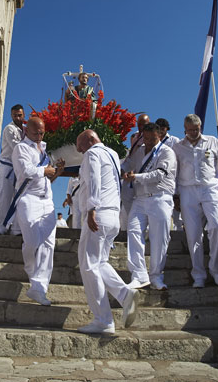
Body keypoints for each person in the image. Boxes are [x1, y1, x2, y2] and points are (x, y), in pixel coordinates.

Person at [74, 129, 137, 334]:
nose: (80, 151)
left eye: (81, 146)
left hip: (98, 214)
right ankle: (125, 294)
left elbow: (93, 180)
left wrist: (91, 208)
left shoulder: (93, 153)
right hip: (112, 216)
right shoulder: (112, 154)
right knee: (100, 262)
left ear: (91, 139)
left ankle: (104, 320)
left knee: (88, 265)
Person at [172, 114, 218, 288]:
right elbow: (174, 174)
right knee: (193, 234)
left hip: (210, 188)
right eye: (190, 130)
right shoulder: (178, 147)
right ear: (184, 129)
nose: (193, 132)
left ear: (201, 127)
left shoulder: (212, 141)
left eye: (196, 129)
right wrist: (175, 196)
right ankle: (198, 274)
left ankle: (215, 269)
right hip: (187, 191)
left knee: (217, 225)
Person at [11, 117, 63, 305]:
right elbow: (25, 171)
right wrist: (45, 171)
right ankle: (32, 271)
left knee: (48, 245)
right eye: (36, 133)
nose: (39, 136)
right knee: (32, 241)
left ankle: (39, 289)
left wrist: (57, 172)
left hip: (47, 201)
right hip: (28, 199)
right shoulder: (21, 148)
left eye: (42, 132)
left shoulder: (46, 149)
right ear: (27, 131)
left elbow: (48, 178)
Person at [121, 122, 177, 291]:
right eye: (146, 138)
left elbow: (159, 174)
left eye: (153, 138)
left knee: (159, 238)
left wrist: (135, 177)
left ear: (159, 135)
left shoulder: (167, 152)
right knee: (134, 231)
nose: (150, 141)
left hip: (160, 198)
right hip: (140, 198)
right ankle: (139, 275)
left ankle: (156, 276)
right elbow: (126, 164)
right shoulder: (138, 152)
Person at [0, 104, 26, 234]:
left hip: (20, 168)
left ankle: (15, 227)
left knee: (19, 198)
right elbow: (17, 148)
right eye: (15, 115)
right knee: (5, 197)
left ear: (23, 115)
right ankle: (0, 227)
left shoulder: (25, 129)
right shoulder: (9, 129)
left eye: (20, 115)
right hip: (8, 167)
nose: (17, 117)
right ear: (11, 115)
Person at [120, 113, 149, 230]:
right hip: (130, 173)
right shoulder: (135, 136)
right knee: (126, 199)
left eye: (144, 124)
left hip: (143, 174)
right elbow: (132, 156)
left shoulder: (151, 136)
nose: (141, 126)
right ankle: (130, 228)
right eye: (139, 124)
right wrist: (123, 171)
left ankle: (142, 228)